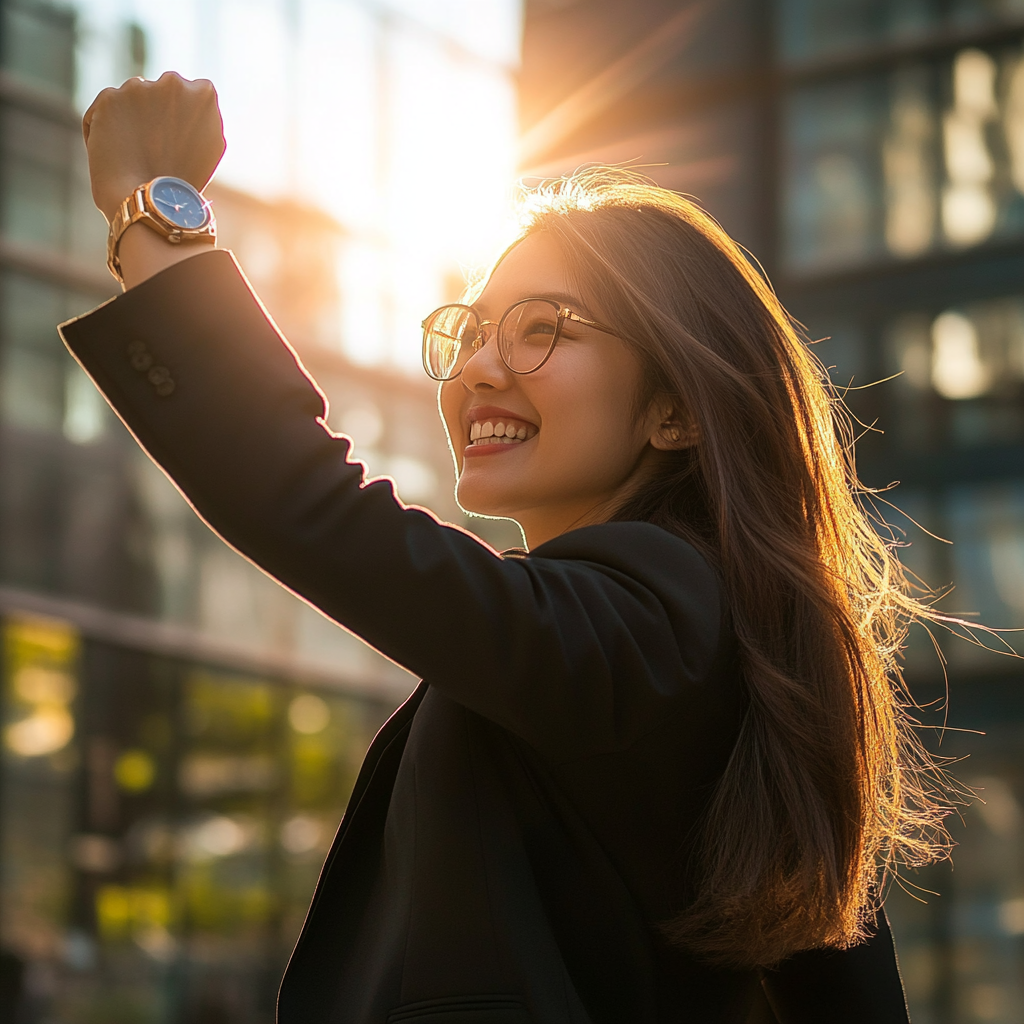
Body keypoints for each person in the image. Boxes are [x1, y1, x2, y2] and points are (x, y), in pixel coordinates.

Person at [62, 72, 954, 1024]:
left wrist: (154, 212)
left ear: (676, 408)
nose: (480, 368)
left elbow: (312, 507)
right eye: (474, 329)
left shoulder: (665, 613)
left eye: (541, 331)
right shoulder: (720, 649)